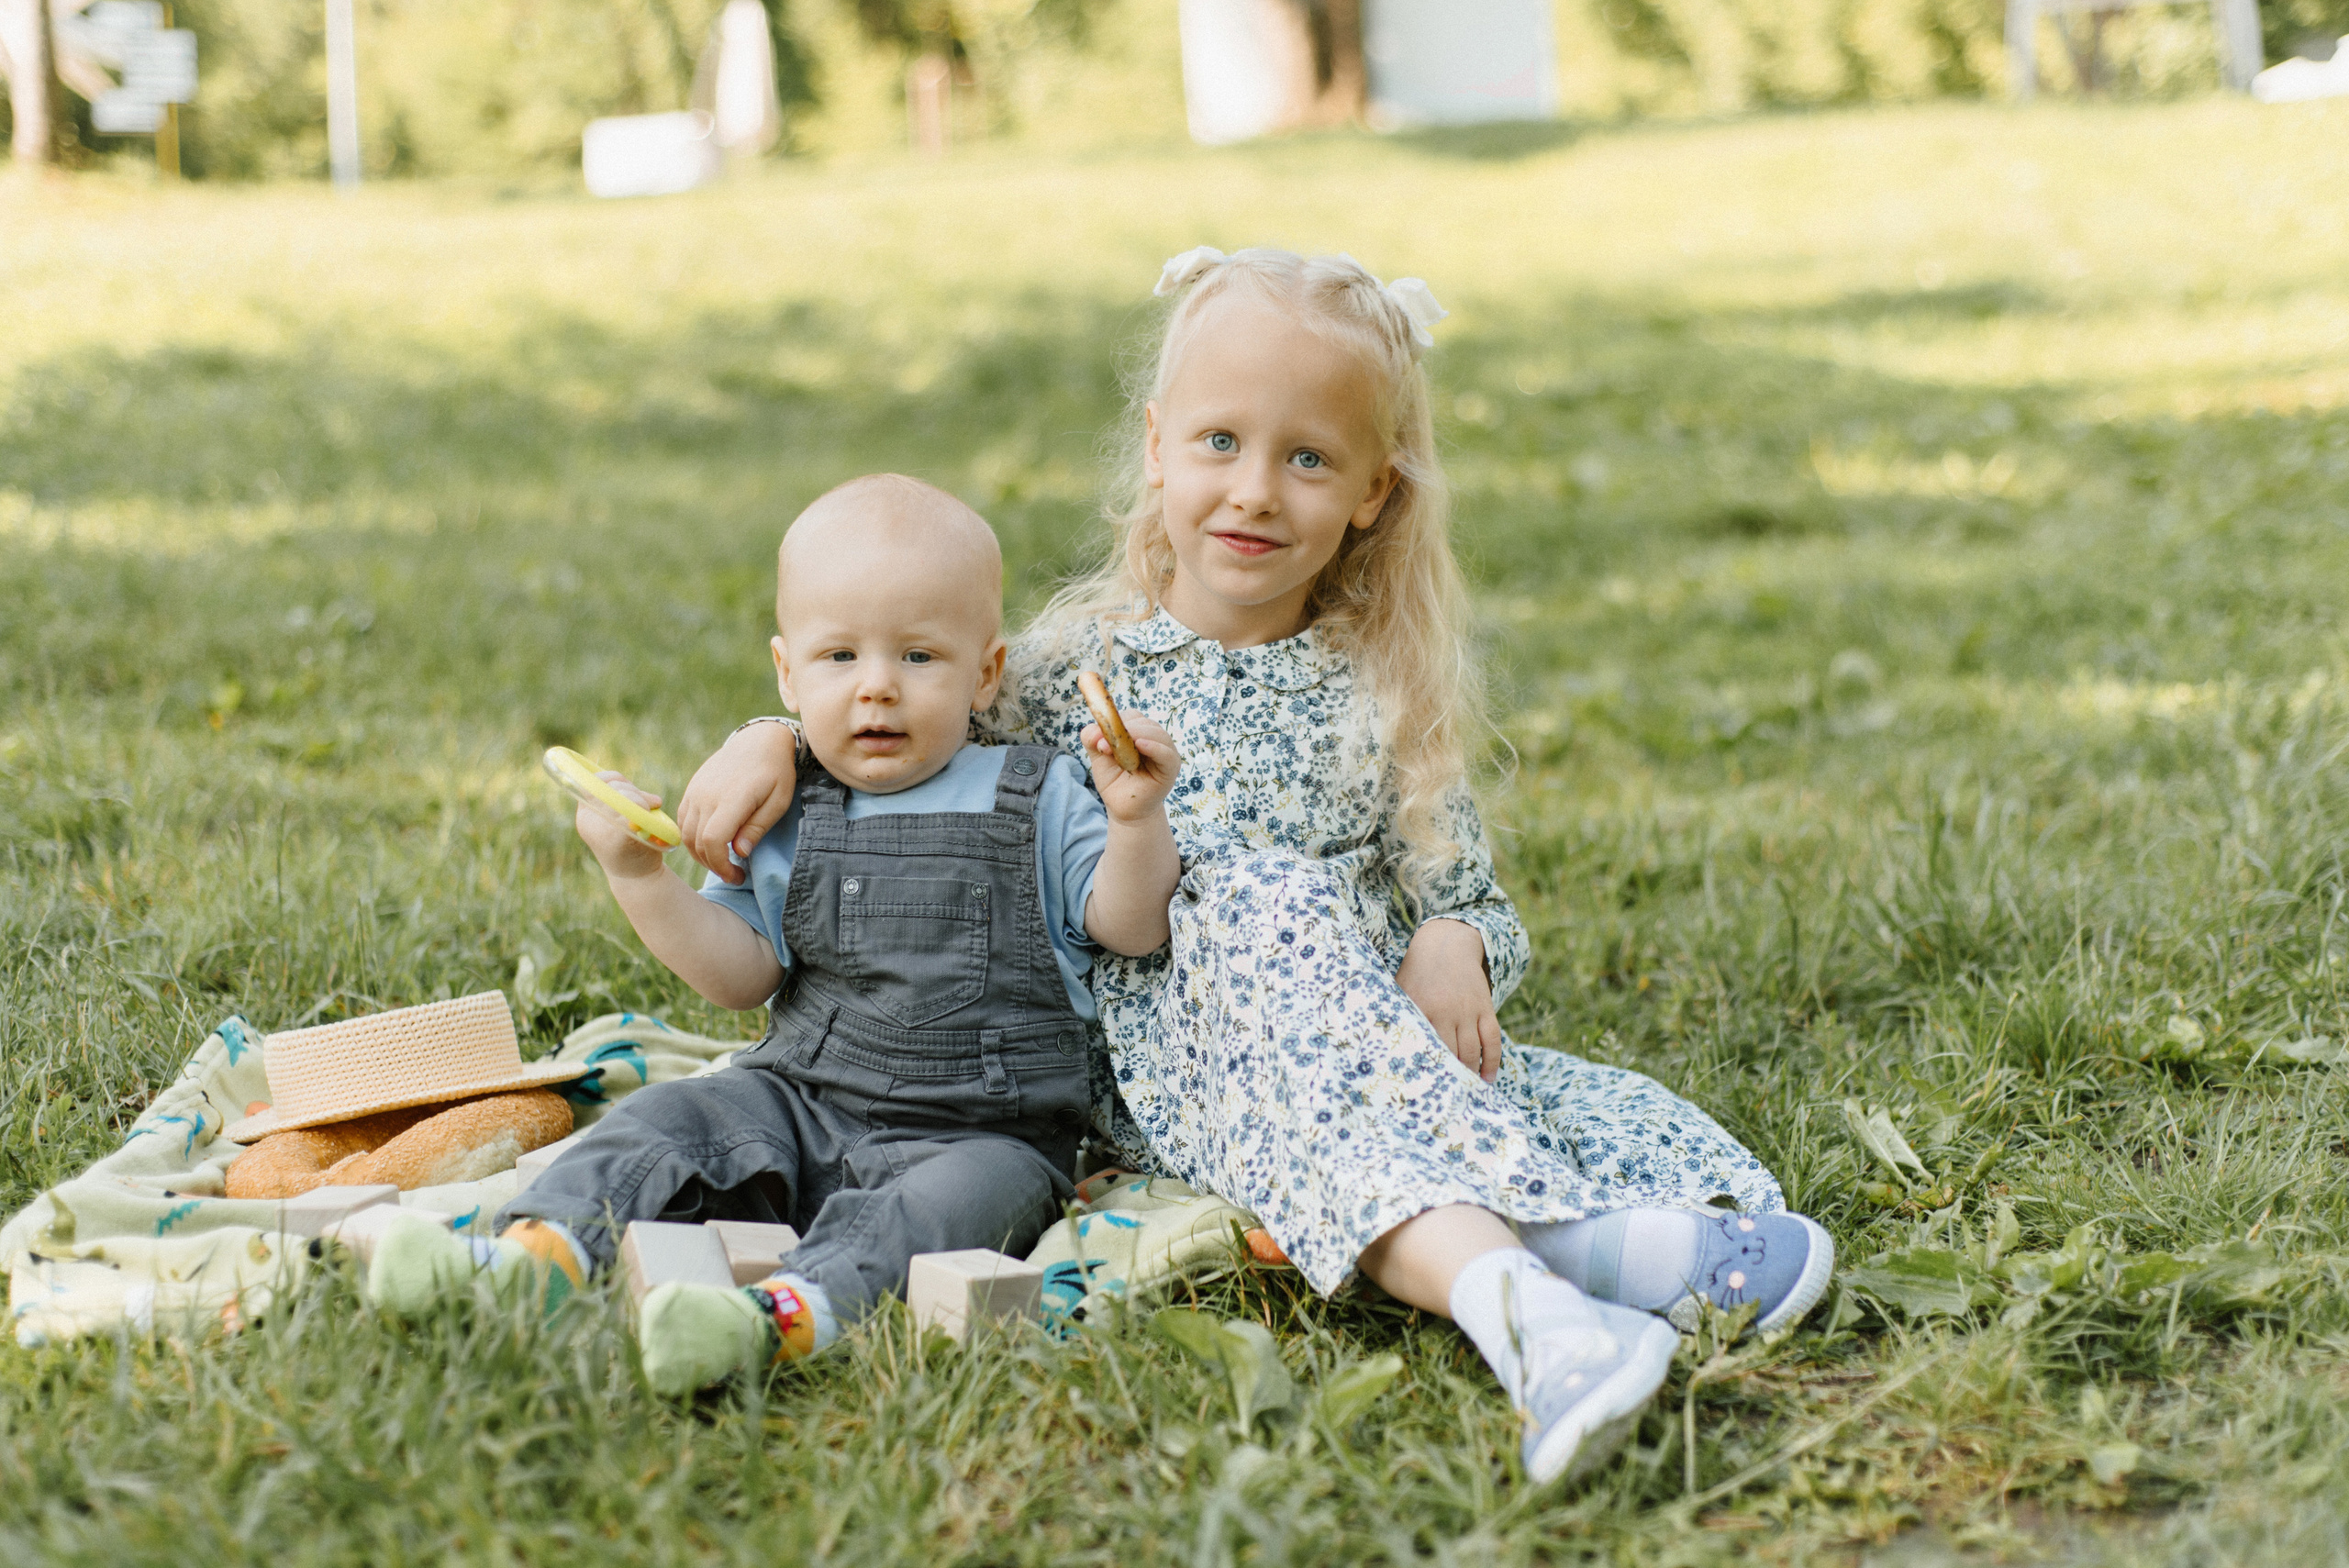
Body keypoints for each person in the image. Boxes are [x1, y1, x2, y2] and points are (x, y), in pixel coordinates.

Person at [675, 248, 1835, 1485]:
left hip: (1359, 1060)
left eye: (1308, 459)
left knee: (1401, 1070)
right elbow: (897, 730)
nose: (1255, 491)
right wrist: (773, 739)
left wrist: (1453, 941)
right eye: (1221, 442)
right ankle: (1565, 1271)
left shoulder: (1377, 693)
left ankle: (1548, 1302)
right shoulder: (1071, 672)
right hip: (1159, 1068)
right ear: (1158, 446)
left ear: (1374, 492)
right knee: (1254, 901)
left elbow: (1464, 896)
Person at [366, 474, 1185, 1396]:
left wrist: (1135, 819)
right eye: (839, 655)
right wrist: (638, 877)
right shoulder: (790, 807)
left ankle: (781, 1314)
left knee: (952, 1208)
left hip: (984, 1132)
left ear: (985, 672)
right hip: (799, 1101)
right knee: (670, 1121)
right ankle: (536, 1254)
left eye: (919, 655)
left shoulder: (1039, 795)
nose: (876, 684)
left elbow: (1132, 927)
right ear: (788, 673)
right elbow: (738, 975)